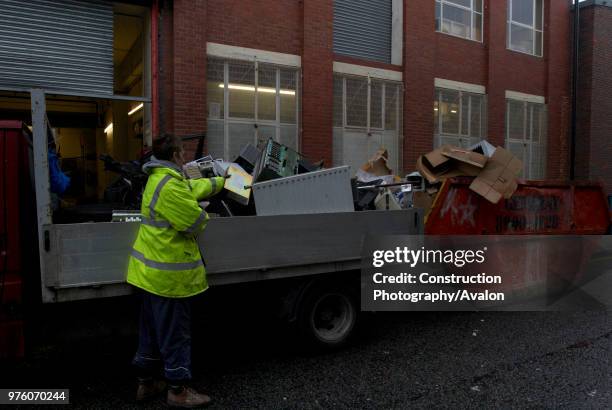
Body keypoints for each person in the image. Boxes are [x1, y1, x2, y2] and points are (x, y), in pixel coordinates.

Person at [126, 134, 226, 407]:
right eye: (182, 154)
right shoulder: (170, 186)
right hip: (169, 278)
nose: (185, 159)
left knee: (150, 330)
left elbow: (191, 188)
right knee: (175, 335)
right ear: (175, 156)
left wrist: (221, 181)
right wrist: (201, 211)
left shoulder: (160, 179)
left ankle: (146, 384)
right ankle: (178, 391)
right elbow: (194, 224)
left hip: (149, 274)